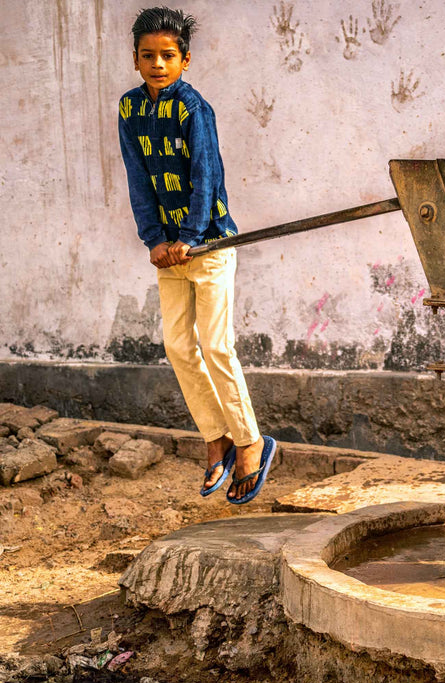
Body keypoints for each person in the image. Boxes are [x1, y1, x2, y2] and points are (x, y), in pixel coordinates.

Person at [117, 7, 275, 504]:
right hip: (168, 251)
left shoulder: (193, 108)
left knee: (217, 346)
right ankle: (217, 439)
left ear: (185, 59)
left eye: (168, 56)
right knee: (178, 347)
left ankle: (251, 442)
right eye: (148, 56)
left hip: (208, 244)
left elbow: (207, 175)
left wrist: (189, 233)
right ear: (136, 59)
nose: (158, 64)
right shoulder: (129, 109)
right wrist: (154, 239)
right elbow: (138, 178)